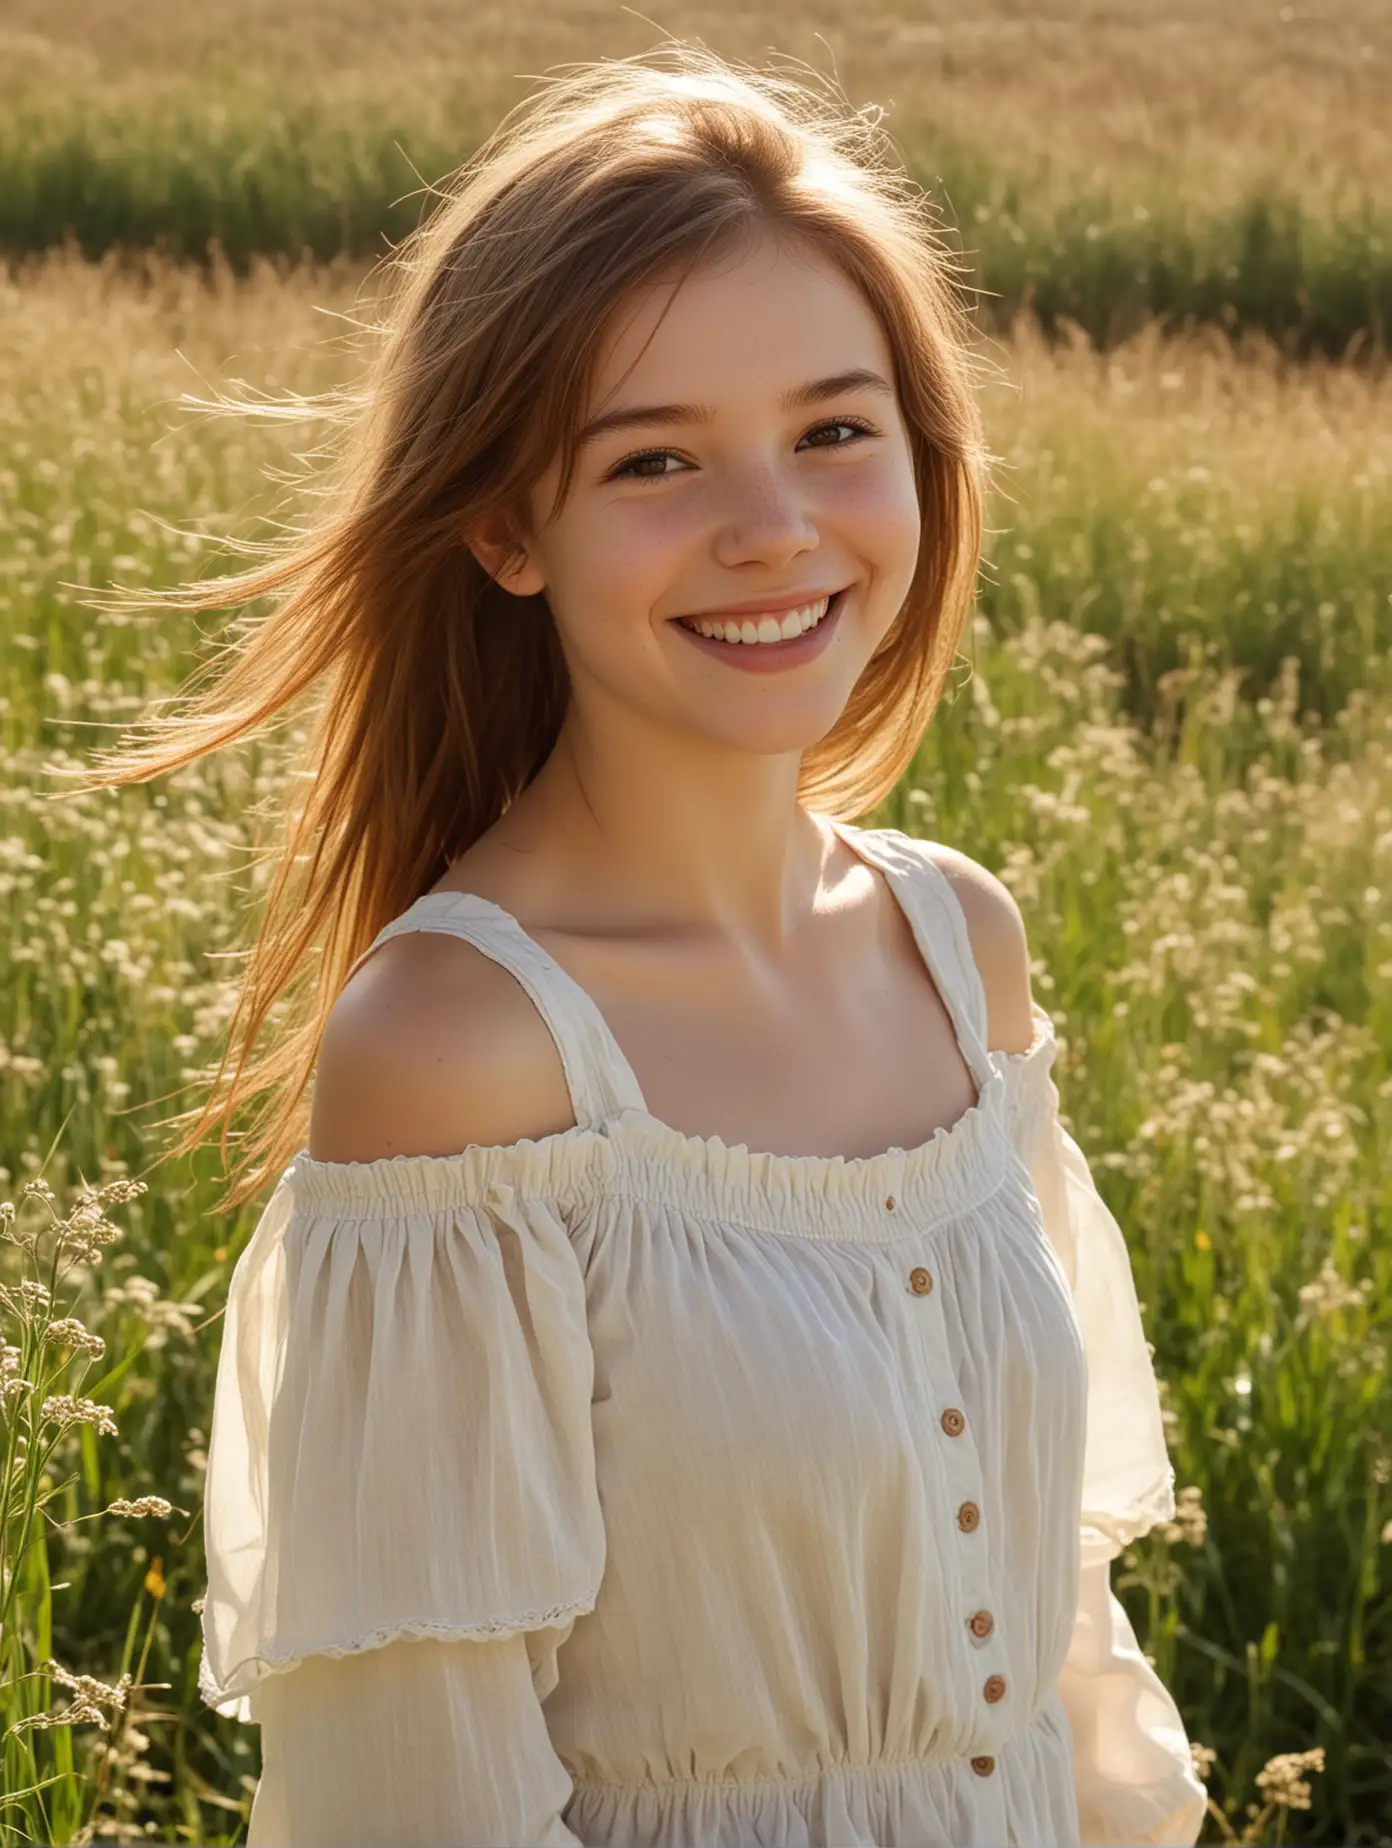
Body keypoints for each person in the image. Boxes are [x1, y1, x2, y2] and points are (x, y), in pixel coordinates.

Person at [78, 43, 1207, 1847]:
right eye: (656, 460)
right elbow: (415, 1791)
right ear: (505, 527)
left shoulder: (956, 944)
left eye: (835, 429)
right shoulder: (458, 1055)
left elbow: (1050, 1649)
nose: (774, 530)